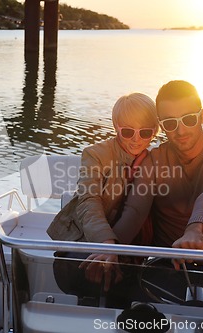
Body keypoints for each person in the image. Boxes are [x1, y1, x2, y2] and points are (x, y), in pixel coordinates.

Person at [112, 80, 203, 311]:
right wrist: (110, 248)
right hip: (165, 268)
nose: (180, 131)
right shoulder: (154, 160)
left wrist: (195, 230)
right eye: (170, 123)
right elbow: (135, 211)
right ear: (162, 125)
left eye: (188, 119)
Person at [46, 92, 159, 304]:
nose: (136, 139)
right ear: (116, 126)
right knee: (92, 272)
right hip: (88, 237)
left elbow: (138, 210)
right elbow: (88, 200)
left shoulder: (154, 159)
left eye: (144, 132)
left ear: (154, 131)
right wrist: (106, 243)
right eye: (127, 131)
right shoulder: (96, 154)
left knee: (129, 285)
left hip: (131, 246)